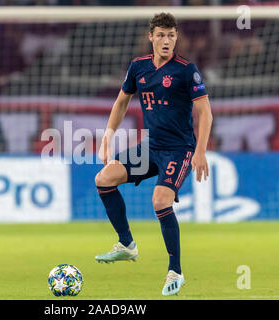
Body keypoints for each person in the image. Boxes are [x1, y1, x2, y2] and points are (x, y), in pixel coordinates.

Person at [94, 13, 212, 296]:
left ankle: (175, 272)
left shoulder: (186, 70)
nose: (166, 41)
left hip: (178, 149)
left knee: (160, 200)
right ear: (151, 37)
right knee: (104, 178)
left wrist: (200, 151)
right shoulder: (138, 67)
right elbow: (121, 102)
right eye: (161, 35)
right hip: (151, 146)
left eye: (171, 35)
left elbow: (205, 112)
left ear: (176, 38)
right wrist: (108, 136)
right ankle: (126, 245)